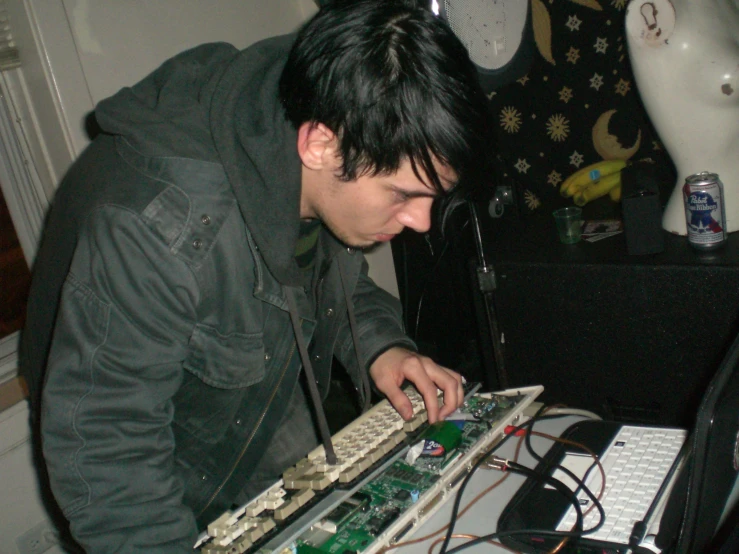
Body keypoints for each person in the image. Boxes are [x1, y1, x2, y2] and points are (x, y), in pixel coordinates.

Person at [19, 0, 494, 551]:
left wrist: (381, 346)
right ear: (319, 145)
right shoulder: (161, 229)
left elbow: (323, 272)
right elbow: (105, 453)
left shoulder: (306, 109)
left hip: (240, 363)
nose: (420, 221)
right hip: (134, 420)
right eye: (404, 195)